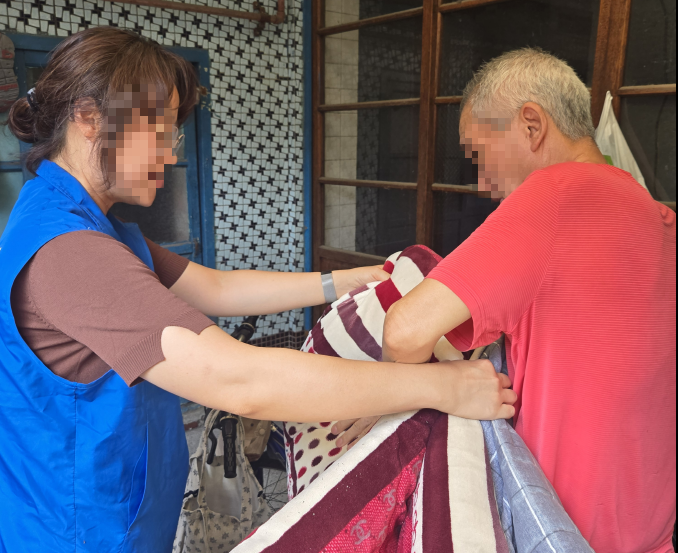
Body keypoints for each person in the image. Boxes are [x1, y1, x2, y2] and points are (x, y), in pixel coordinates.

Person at [0, 27, 516, 552]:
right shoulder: (69, 252)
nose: (170, 155)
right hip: (74, 533)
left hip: (118, 515)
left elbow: (216, 288)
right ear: (89, 118)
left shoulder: (93, 225)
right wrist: (443, 386)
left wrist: (343, 281)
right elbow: (239, 380)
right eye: (158, 132)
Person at [337, 48, 676, 553]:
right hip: (654, 528)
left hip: (560, 529)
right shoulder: (660, 218)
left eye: (479, 155)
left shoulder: (554, 195)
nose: (482, 184)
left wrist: (425, 393)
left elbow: (404, 331)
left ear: (531, 125)